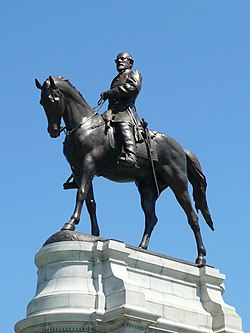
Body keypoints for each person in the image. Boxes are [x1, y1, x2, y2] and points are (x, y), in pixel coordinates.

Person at [100, 52, 142, 168]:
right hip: (112, 112)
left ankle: (131, 155)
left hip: (125, 112)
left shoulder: (134, 73)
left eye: (122, 59)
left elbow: (133, 88)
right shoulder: (115, 79)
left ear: (130, 62)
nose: (119, 61)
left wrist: (109, 93)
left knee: (123, 125)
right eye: (117, 60)